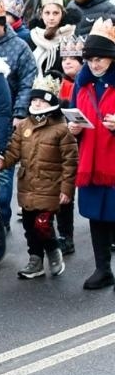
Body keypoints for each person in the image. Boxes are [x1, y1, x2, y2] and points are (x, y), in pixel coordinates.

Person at [0, 0, 40, 262]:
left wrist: (19, 113)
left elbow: (28, 81)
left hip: (7, 122)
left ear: (2, 22)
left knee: (2, 183)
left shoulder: (19, 48)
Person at [0, 78, 78, 281]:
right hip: (27, 186)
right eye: (34, 100)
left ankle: (52, 250)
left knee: (43, 224)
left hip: (50, 186)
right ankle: (35, 259)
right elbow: (13, 152)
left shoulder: (61, 129)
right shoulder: (24, 125)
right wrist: (1, 162)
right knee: (28, 225)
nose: (36, 104)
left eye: (41, 101)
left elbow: (70, 162)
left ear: (51, 103)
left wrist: (67, 190)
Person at [68, 21, 115, 289]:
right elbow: (76, 115)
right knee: (97, 218)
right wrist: (74, 128)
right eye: (90, 59)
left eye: (100, 59)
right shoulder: (82, 84)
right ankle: (103, 269)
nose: (94, 65)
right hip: (91, 160)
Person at [58, 32, 85, 253]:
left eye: (73, 58)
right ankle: (66, 236)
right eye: (65, 58)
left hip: (87, 142)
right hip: (63, 145)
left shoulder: (88, 84)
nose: (67, 61)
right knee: (64, 191)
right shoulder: (55, 82)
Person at [29, 0, 69, 78]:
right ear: (41, 14)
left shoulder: (69, 39)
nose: (51, 17)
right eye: (47, 13)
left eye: (55, 13)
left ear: (62, 15)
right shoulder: (32, 37)